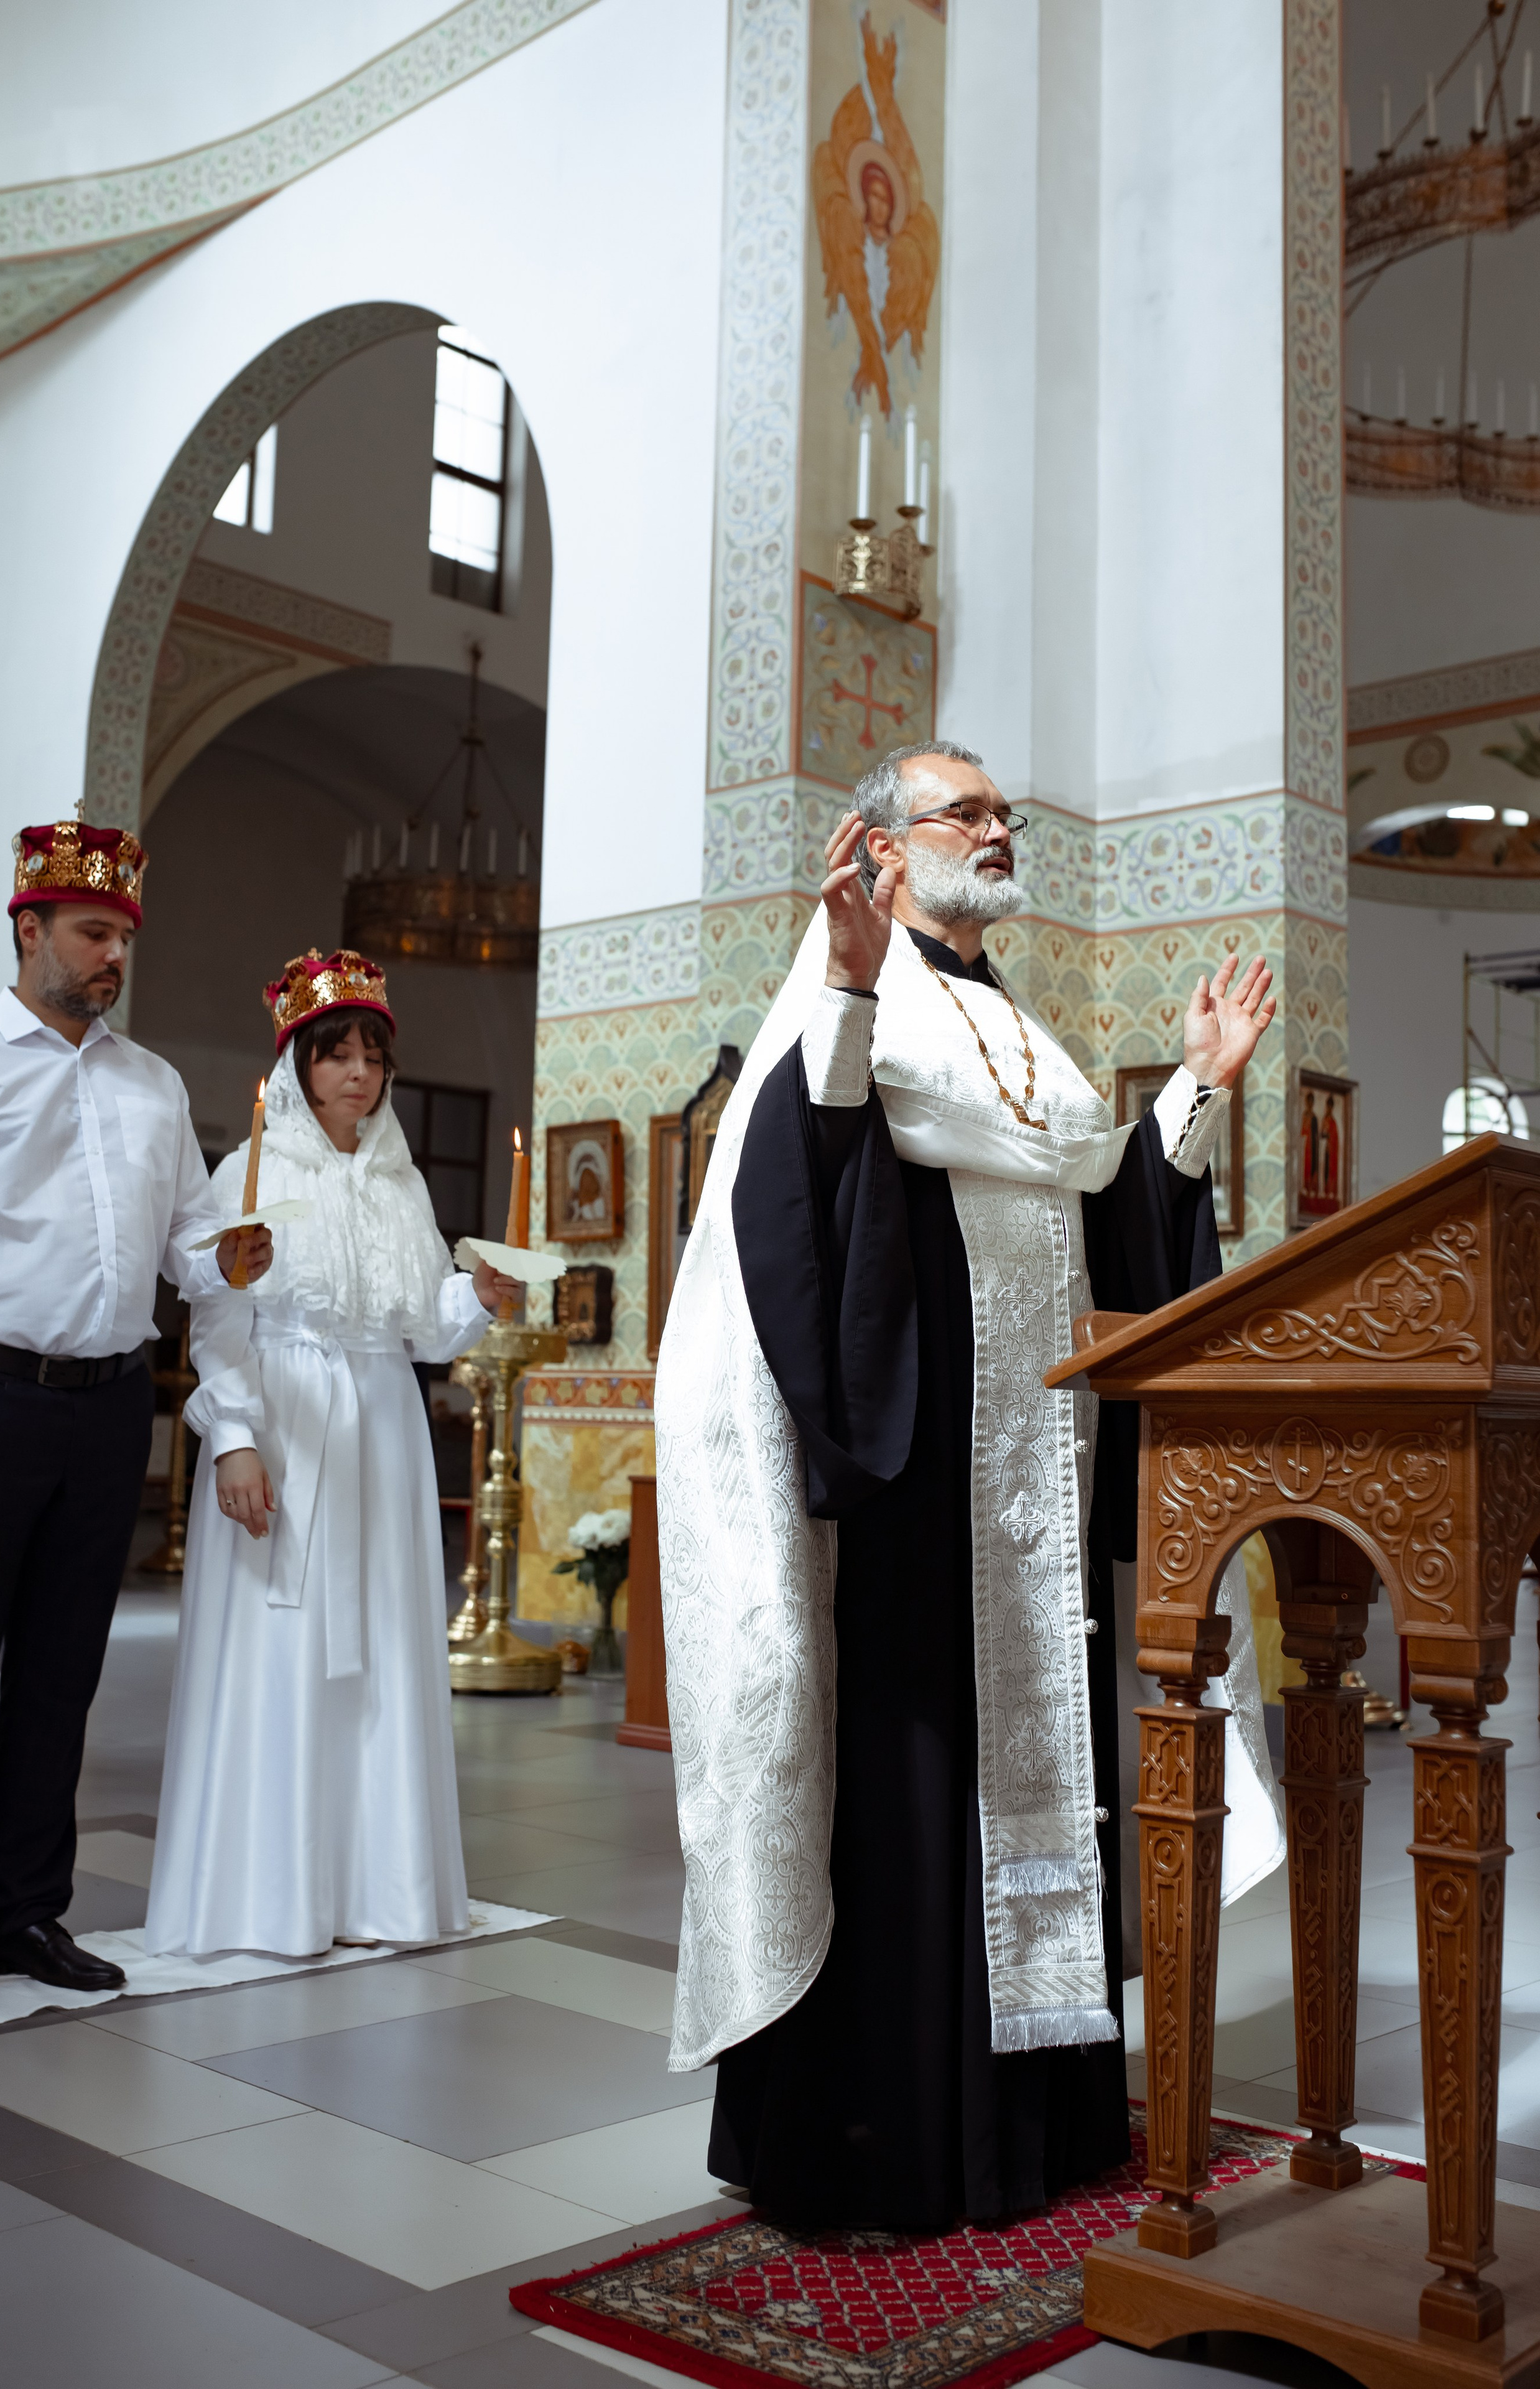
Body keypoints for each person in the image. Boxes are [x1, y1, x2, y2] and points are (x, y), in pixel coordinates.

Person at [656, 740, 1283, 2231]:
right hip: (910, 1495)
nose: (998, 829)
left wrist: (1193, 1096)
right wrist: (857, 993)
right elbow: (801, 1203)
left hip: (1032, 1511)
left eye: (1003, 811)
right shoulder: (843, 1007)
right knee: (911, 1806)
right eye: (966, 812)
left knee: (1045, 1786)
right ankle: (883, 2142)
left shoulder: (1021, 1035)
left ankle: (1034, 2127)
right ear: (880, 850)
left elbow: (1114, 1223)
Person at [0, 819, 271, 2022]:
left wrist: (225, 1249)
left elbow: (188, 1235)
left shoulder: (154, 1084)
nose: (110, 960)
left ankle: (24, 1909)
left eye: (122, 940)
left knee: (58, 1673)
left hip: (108, 1406)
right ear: (28, 929)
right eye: (91, 935)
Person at [145, 948, 521, 1959]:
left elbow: (419, 1329)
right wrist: (233, 1441)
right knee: (283, 1647)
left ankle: (377, 1891)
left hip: (383, 1430)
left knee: (386, 1650)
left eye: (371, 1054)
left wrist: (475, 1301)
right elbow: (216, 1319)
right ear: (298, 1066)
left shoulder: (400, 1184)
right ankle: (269, 1899)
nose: (357, 1071)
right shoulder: (252, 1170)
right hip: (289, 1420)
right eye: (334, 1052)